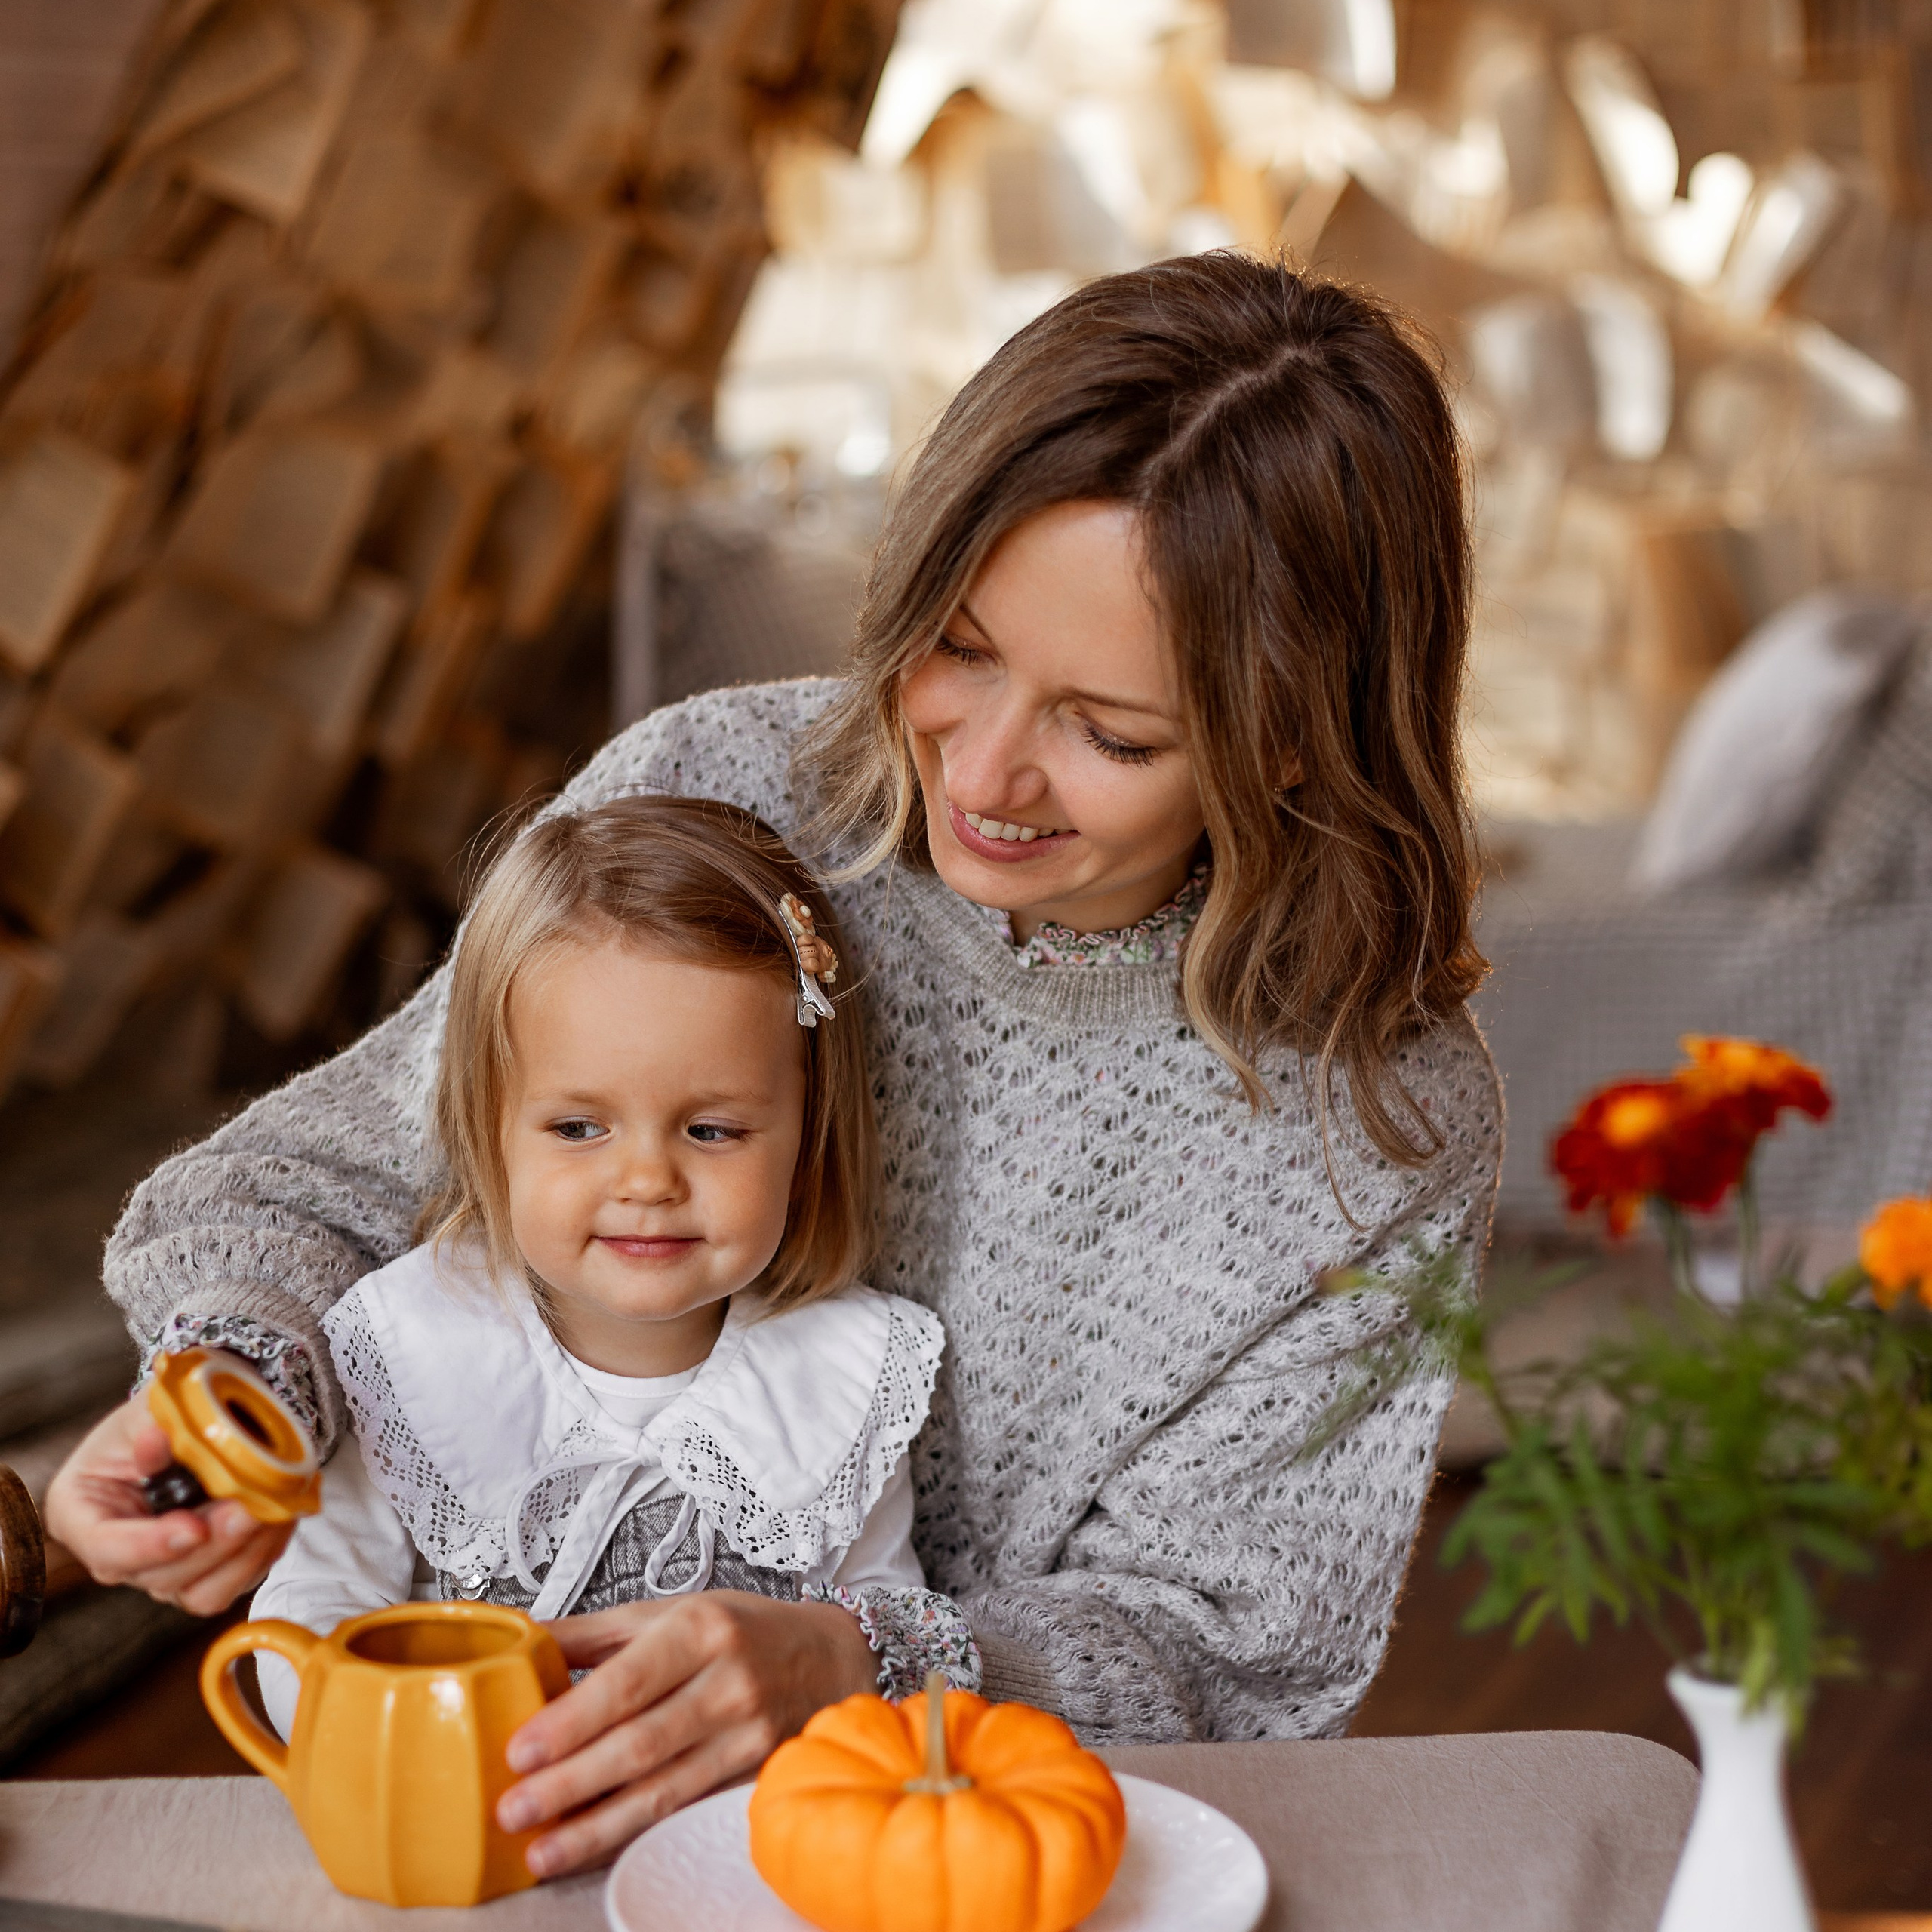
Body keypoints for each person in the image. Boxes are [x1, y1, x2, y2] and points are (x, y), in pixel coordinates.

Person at [48, 253, 1503, 1880]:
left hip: (967, 1857)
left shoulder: (1373, 1120)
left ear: (1295, 731)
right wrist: (238, 1382)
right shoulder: (723, 791)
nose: (982, 767)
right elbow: (329, 1173)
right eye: (955, 645)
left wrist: (864, 1667)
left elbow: (1229, 1653)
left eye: (1111, 729)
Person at [246, 794, 953, 1750]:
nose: (648, 1181)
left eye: (713, 1130)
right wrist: (390, 1732)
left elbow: (883, 1643)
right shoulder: (410, 1345)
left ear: (806, 1137)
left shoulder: (850, 1374)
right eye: (579, 1128)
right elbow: (312, 1603)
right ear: (487, 1129)